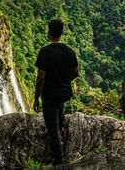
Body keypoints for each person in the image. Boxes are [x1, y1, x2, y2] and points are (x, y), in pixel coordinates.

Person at [33, 19, 79, 166]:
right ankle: (62, 132)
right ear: (62, 33)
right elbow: (76, 73)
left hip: (50, 94)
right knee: (58, 115)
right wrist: (64, 81)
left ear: (49, 32)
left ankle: (59, 161)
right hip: (65, 93)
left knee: (52, 129)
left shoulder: (45, 52)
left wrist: (36, 98)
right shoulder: (70, 51)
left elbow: (41, 78)